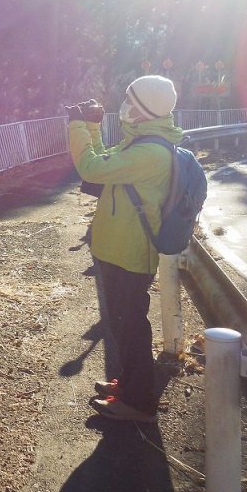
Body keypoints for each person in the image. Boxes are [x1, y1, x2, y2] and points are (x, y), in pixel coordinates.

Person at [65, 75, 183, 423]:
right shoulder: (140, 142)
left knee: (130, 325)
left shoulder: (151, 152)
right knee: (122, 323)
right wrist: (91, 125)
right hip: (119, 249)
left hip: (131, 253)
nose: (124, 108)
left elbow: (91, 167)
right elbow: (102, 158)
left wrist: (75, 125)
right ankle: (129, 383)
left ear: (144, 110)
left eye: (130, 102)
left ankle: (138, 403)